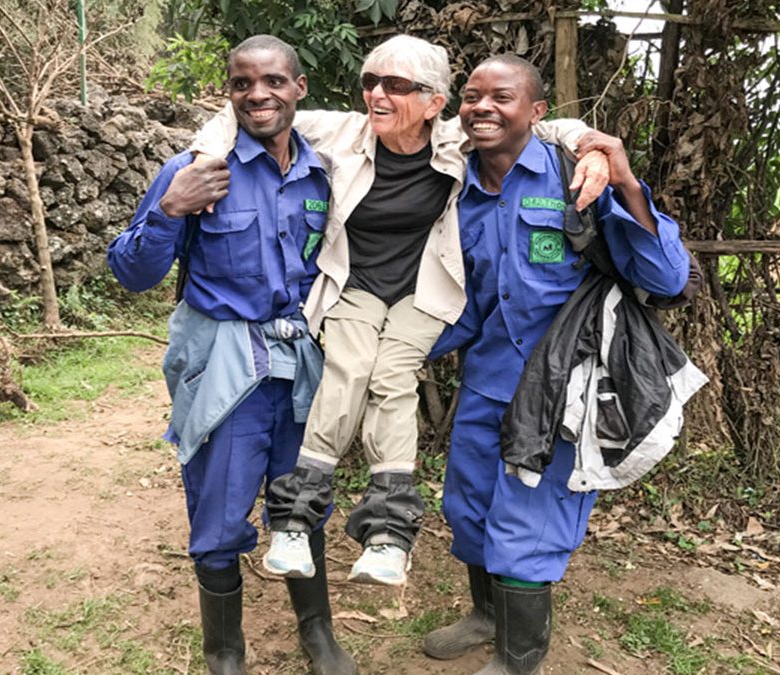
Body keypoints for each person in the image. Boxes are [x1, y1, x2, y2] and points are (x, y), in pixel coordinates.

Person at [190, 34, 614, 587]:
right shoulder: (340, 133)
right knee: (347, 370)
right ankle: (295, 520)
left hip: (424, 289)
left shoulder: (456, 138)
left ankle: (389, 533)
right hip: (353, 285)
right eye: (370, 83)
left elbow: (541, 125)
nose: (377, 95)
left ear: (435, 102)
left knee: (391, 377)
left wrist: (596, 148)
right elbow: (242, 112)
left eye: (396, 86)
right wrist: (205, 157)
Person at [422, 55, 692, 675]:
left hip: (564, 389)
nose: (483, 107)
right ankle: (486, 616)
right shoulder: (453, 183)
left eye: (503, 97)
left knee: (526, 527)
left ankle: (519, 661)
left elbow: (666, 276)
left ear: (537, 113)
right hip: (486, 380)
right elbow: (458, 297)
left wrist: (625, 183)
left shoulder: (577, 178)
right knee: (467, 509)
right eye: (472, 95)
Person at [107, 36, 353, 675]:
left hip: (301, 365)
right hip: (226, 366)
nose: (258, 94)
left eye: (273, 81)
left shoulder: (324, 171)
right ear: (230, 93)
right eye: (243, 83)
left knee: (301, 500)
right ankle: (224, 649)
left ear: (299, 88)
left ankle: (317, 630)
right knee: (218, 510)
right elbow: (130, 273)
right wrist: (170, 208)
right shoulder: (194, 167)